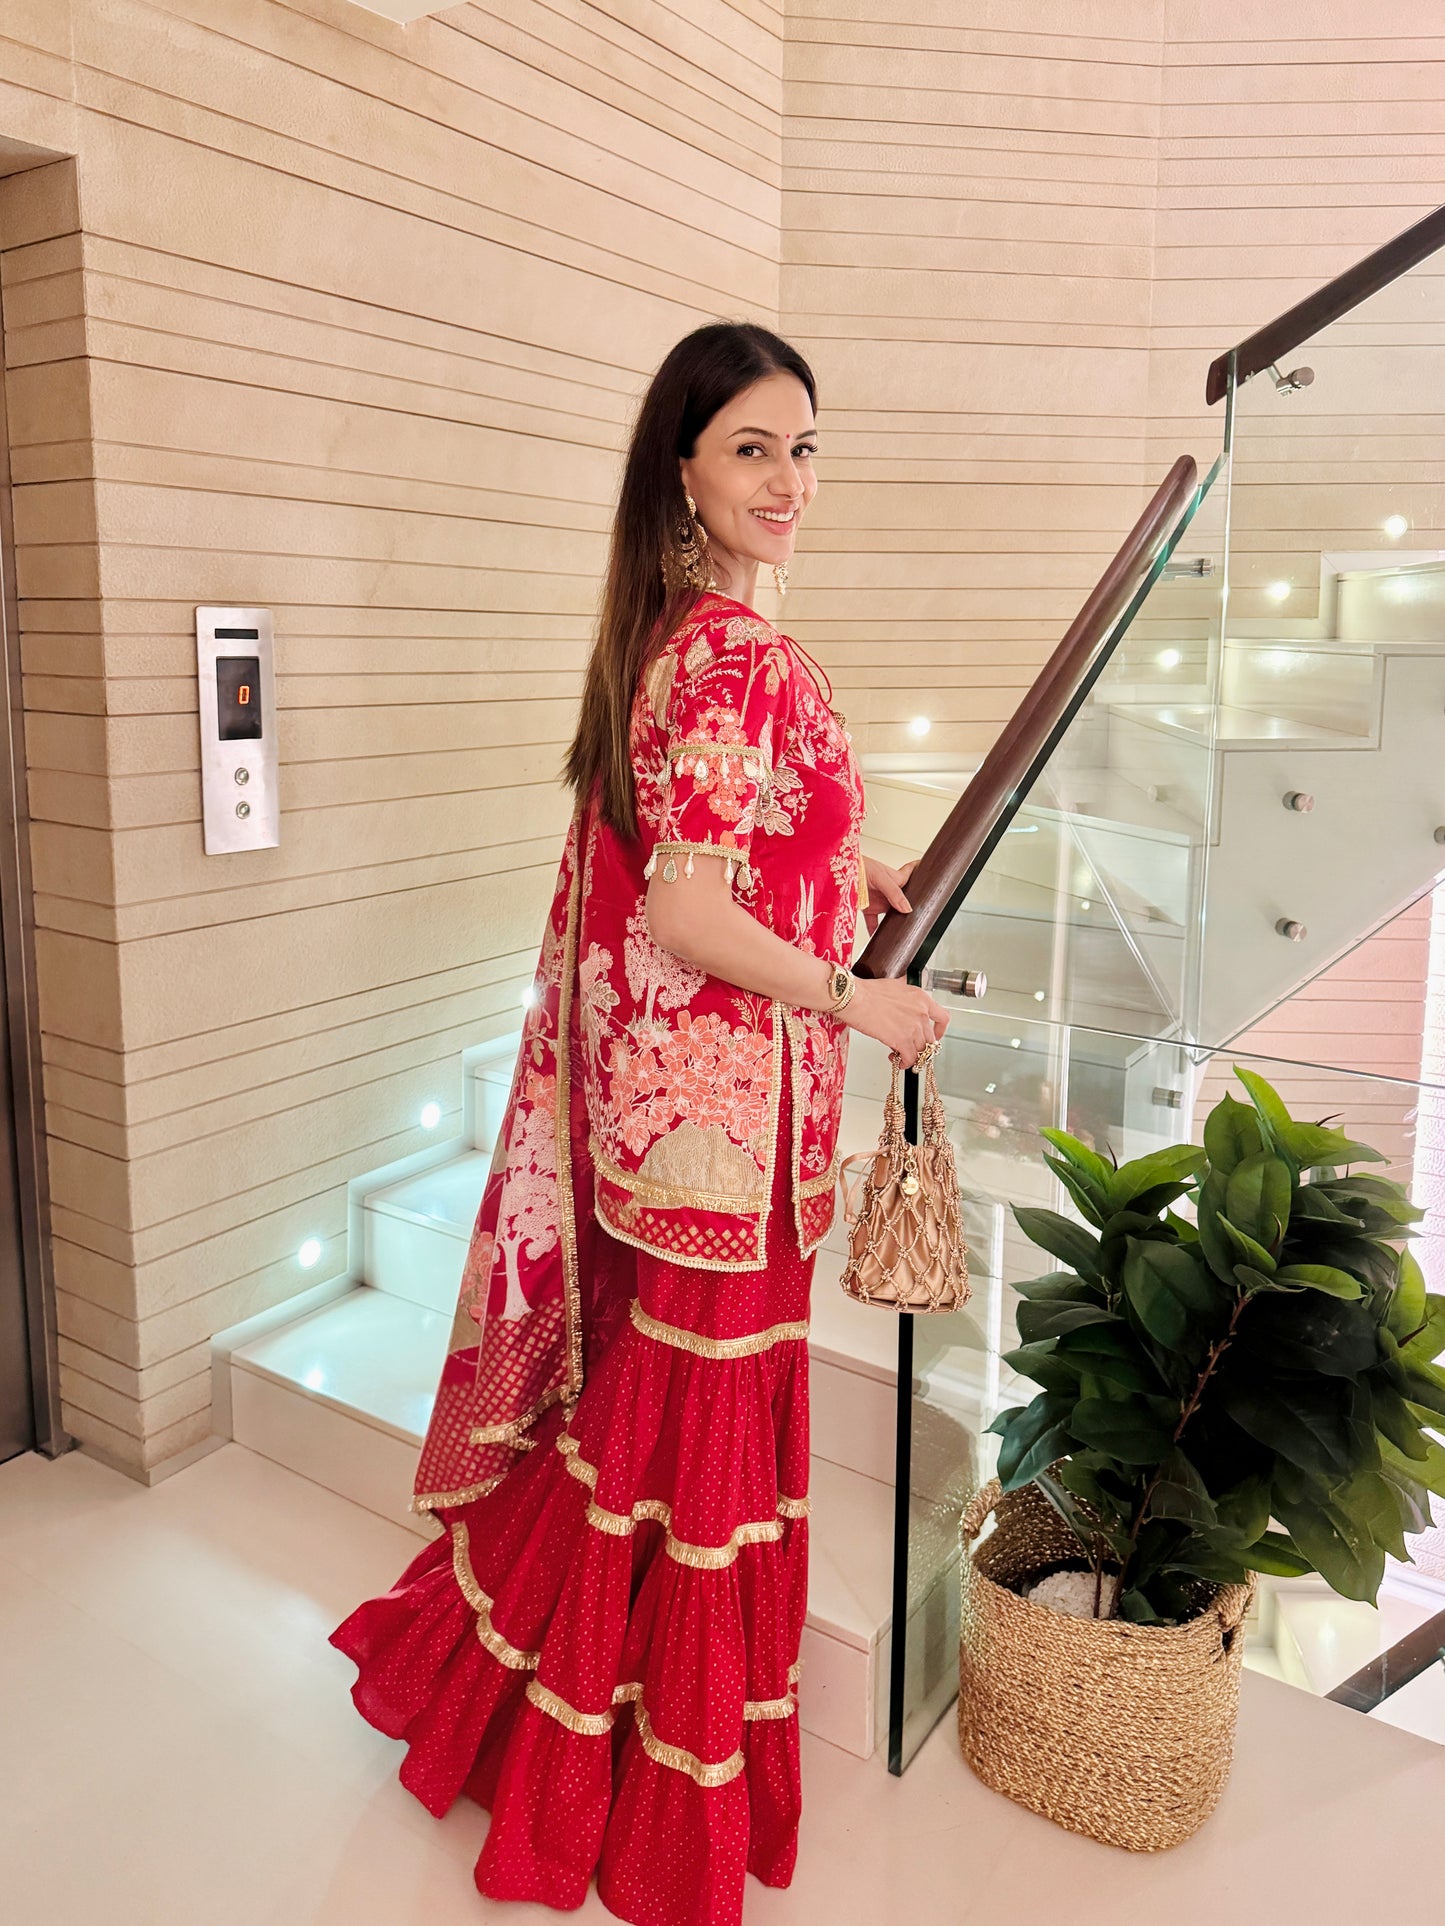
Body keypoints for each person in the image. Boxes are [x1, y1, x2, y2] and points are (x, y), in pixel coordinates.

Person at [329, 321, 950, 1926]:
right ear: (681, 467)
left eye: (804, 446)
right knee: (682, 1462)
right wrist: (851, 993)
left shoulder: (681, 633)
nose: (787, 479)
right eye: (751, 447)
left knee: (644, 1450)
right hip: (730, 1136)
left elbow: (730, 832)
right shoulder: (727, 651)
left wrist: (846, 860)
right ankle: (636, 1801)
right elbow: (684, 910)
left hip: (688, 1133)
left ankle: (528, 1714)